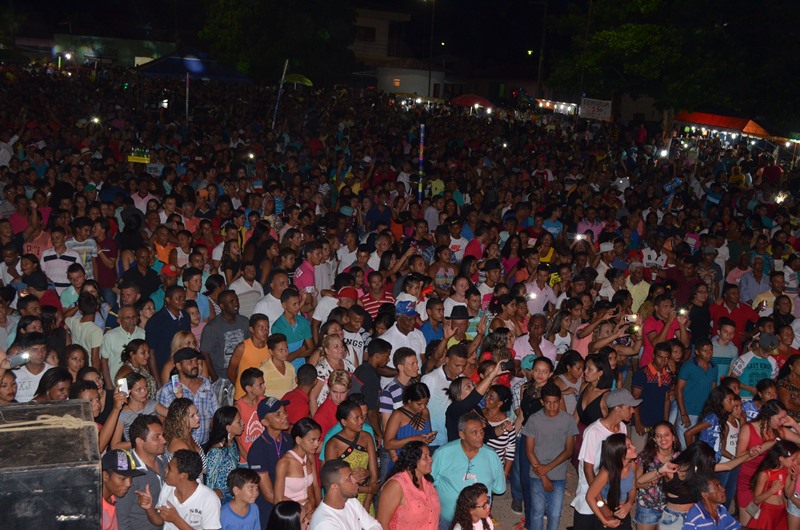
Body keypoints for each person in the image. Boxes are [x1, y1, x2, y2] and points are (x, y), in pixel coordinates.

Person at [572, 388, 639, 528]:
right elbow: (588, 469)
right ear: (617, 409)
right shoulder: (593, 432)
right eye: (629, 407)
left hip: (610, 493)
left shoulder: (622, 427)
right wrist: (600, 503)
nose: (633, 411)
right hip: (590, 492)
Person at [431, 411, 506, 529]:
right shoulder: (443, 453)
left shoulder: (491, 456)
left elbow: (499, 487)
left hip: (478, 522)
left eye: (482, 431)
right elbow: (428, 484)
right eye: (474, 432)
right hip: (447, 520)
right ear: (462, 434)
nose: (480, 435)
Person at [522, 382, 578, 530]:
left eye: (555, 403)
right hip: (537, 473)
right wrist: (544, 476)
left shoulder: (568, 420)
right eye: (548, 403)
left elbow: (569, 450)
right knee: (537, 512)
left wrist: (546, 469)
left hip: (557, 474)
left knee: (554, 513)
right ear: (542, 402)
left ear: (560, 401)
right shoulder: (534, 420)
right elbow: (529, 451)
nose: (552, 407)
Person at [136, 449, 222, 530]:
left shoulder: (209, 499)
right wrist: (149, 508)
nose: (165, 470)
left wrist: (176, 520)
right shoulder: (168, 487)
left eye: (169, 468)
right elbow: (159, 521)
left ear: (183, 475)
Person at [323, 398, 379, 512]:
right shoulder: (332, 445)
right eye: (356, 418)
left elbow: (374, 474)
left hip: (366, 499)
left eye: (362, 417)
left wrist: (367, 504)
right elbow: (334, 483)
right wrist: (368, 489)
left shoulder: (367, 437)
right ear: (344, 422)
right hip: (345, 502)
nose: (361, 421)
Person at [247, 396, 294, 527]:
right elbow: (268, 494)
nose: (285, 416)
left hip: (289, 504)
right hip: (270, 511)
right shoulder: (258, 449)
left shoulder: (289, 440)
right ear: (265, 422)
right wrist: (297, 505)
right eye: (277, 414)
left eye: (284, 411)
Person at [157, 348, 218, 446]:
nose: (194, 365)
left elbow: (215, 414)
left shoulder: (206, 384)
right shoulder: (167, 390)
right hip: (182, 445)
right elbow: (162, 421)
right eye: (190, 362)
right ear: (178, 366)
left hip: (206, 443)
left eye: (196, 361)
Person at [117, 415, 168, 530]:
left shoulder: (163, 460)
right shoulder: (127, 472)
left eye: (163, 435)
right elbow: (121, 518)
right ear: (140, 442)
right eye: (157, 437)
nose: (164, 440)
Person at [376, 440, 441, 530]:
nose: (430, 460)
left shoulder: (428, 484)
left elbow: (433, 521)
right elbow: (382, 523)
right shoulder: (396, 486)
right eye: (425, 457)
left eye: (429, 456)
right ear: (413, 461)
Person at [633, 421, 680, 530]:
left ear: (674, 437)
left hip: (671, 508)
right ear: (654, 439)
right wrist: (650, 481)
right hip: (647, 507)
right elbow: (636, 483)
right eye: (658, 436)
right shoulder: (646, 457)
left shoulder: (680, 458)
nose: (663, 439)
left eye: (666, 435)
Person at [309, 460, 382, 530]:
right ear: (334, 486)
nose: (355, 480)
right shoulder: (324, 523)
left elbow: (375, 525)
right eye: (349, 478)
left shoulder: (351, 501)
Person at [585, 434, 638, 530]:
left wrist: (629, 504)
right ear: (619, 452)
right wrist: (605, 521)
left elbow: (633, 487)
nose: (634, 447)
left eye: (632, 444)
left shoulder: (632, 465)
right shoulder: (606, 472)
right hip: (606, 513)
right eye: (629, 447)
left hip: (623, 512)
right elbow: (589, 496)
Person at [748, 440, 800, 530]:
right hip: (767, 511)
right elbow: (757, 499)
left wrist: (794, 479)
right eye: (793, 459)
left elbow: (788, 494)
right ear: (781, 458)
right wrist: (772, 490)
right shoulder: (765, 474)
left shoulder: (786, 470)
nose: (795, 462)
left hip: (781, 510)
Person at [201, 290, 251, 382]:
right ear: (222, 306)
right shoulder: (212, 327)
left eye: (236, 300)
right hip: (222, 376)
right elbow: (205, 354)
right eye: (231, 301)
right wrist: (215, 377)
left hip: (243, 374)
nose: (236, 303)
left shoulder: (244, 322)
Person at [273, 418, 322, 509]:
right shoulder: (284, 463)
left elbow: (315, 486)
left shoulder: (310, 457)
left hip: (308, 511)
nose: (317, 444)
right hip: (290, 512)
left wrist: (318, 509)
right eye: (312, 440)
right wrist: (301, 508)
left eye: (318, 440)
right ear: (299, 440)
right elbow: (278, 499)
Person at [205, 406, 244, 503]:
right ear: (228, 427)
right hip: (221, 500)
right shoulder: (216, 452)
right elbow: (210, 485)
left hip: (233, 494)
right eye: (239, 422)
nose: (243, 423)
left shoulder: (232, 443)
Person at [228, 313, 270, 400]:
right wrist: (242, 388)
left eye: (267, 327)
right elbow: (230, 371)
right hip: (244, 396)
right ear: (252, 329)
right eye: (261, 328)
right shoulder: (242, 347)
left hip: (263, 395)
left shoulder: (270, 346)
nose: (265, 331)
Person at [103, 448, 145, 530]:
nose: (128, 484)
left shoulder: (112, 497)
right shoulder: (97, 511)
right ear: (106, 476)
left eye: (130, 478)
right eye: (123, 478)